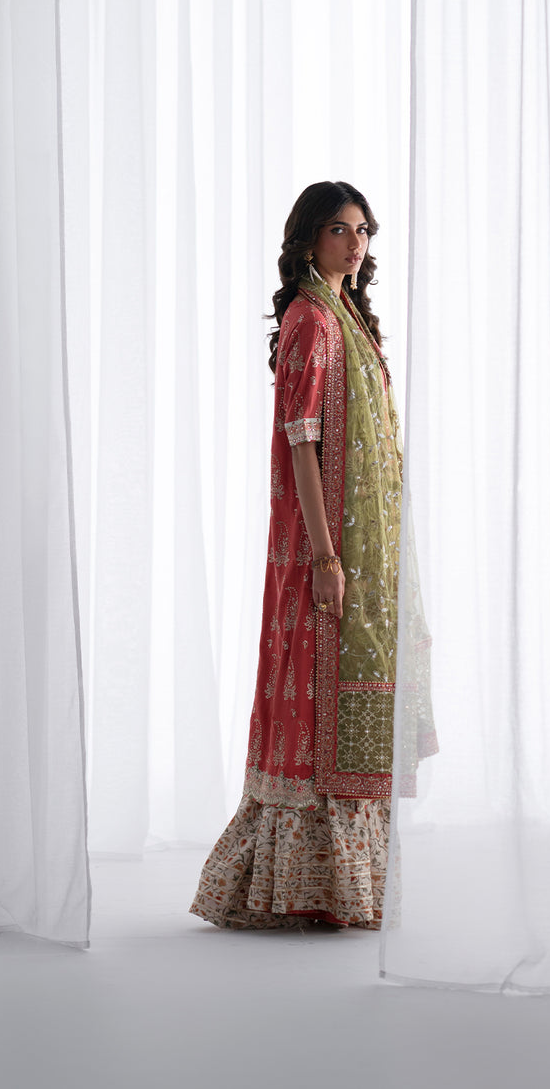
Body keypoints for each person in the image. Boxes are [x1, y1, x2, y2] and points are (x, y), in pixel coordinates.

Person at [190, 180, 436, 930]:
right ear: (307, 239)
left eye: (363, 230)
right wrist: (326, 558)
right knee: (312, 688)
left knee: (353, 687)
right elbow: (303, 442)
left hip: (364, 545)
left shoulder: (347, 316)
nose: (356, 244)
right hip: (323, 545)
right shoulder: (309, 319)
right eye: (340, 229)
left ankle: (343, 886)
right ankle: (297, 883)